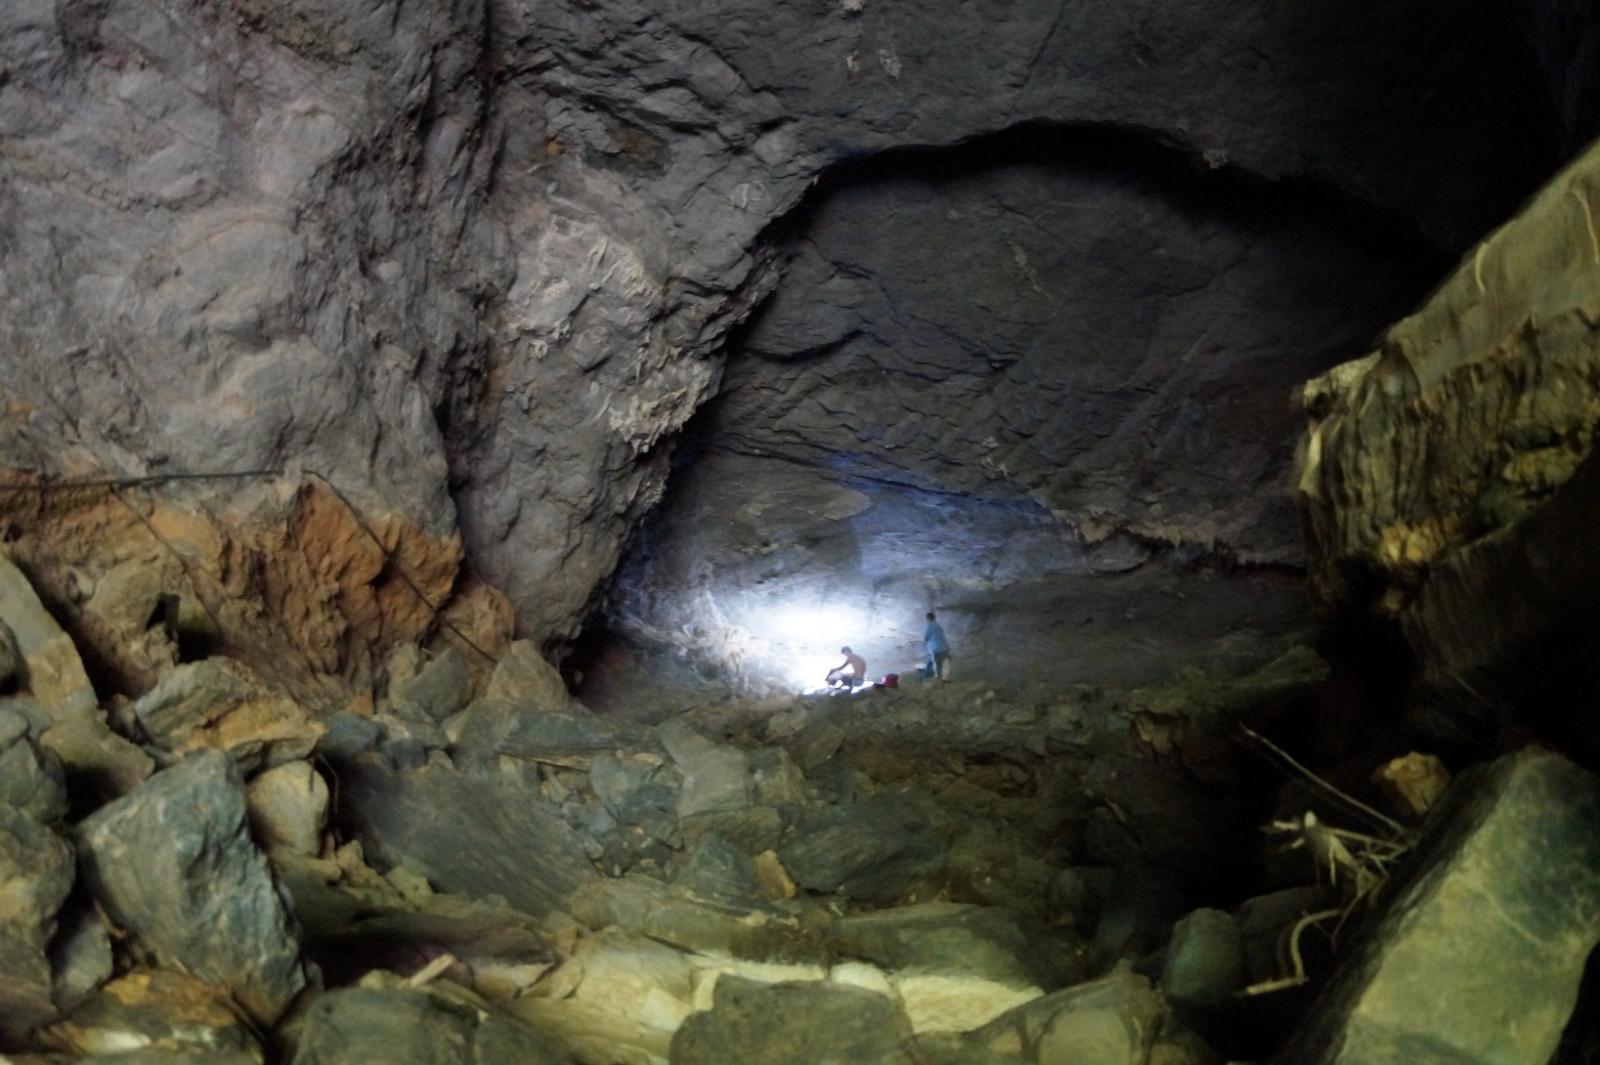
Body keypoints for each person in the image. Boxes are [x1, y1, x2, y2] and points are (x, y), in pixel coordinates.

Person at [923, 611, 951, 680]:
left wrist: (926, 643)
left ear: (927, 619)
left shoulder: (929, 626)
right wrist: (947, 646)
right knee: (943, 666)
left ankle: (928, 679)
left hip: (934, 649)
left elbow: (926, 638)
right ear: (935, 618)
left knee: (935, 666)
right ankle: (944, 680)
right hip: (943, 648)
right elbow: (943, 638)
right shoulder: (939, 626)